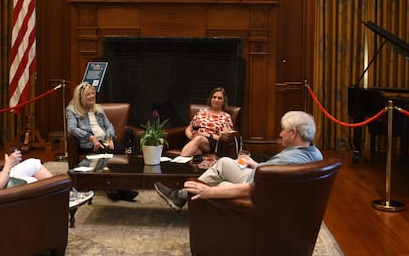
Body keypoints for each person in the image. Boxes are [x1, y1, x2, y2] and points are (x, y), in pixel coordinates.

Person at [154, 110, 322, 211]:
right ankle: (182, 196)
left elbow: (250, 190)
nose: (280, 134)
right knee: (224, 162)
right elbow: (272, 173)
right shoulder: (314, 153)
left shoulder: (287, 161)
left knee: (218, 184)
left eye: (283, 130)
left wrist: (209, 192)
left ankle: (183, 196)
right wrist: (257, 165)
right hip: (265, 181)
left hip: (260, 197)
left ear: (293, 133)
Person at [66, 82, 138, 202]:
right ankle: (119, 189)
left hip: (105, 141)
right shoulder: (72, 110)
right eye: (88, 94)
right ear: (80, 97)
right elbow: (72, 128)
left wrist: (109, 138)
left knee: (120, 149)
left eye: (93, 93)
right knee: (106, 153)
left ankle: (116, 187)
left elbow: (108, 125)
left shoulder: (98, 109)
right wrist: (91, 137)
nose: (92, 96)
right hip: (90, 144)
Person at [180, 87, 235, 157]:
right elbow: (189, 128)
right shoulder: (201, 112)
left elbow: (224, 138)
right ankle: (186, 166)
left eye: (219, 98)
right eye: (214, 97)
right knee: (197, 151)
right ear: (210, 99)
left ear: (224, 101)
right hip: (195, 139)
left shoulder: (225, 117)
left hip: (211, 142)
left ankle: (178, 162)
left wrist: (206, 135)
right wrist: (191, 136)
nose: (216, 100)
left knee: (199, 139)